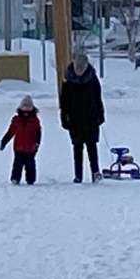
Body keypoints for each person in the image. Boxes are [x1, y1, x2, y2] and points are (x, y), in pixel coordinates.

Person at [60, 49, 105, 182]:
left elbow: (98, 98)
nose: (79, 70)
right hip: (74, 120)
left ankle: (95, 172)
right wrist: (64, 117)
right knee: (77, 148)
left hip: (91, 118)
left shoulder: (93, 79)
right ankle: (78, 175)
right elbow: (64, 102)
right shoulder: (68, 81)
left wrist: (100, 114)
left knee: (92, 147)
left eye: (82, 67)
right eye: (77, 67)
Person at [0, 95, 42, 186]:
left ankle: (31, 179)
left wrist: (37, 143)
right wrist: (4, 141)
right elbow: (10, 132)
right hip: (18, 147)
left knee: (30, 164)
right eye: (24, 106)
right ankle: (15, 178)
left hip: (30, 148)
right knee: (17, 164)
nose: (26, 109)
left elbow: (38, 133)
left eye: (28, 107)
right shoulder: (16, 120)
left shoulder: (35, 120)